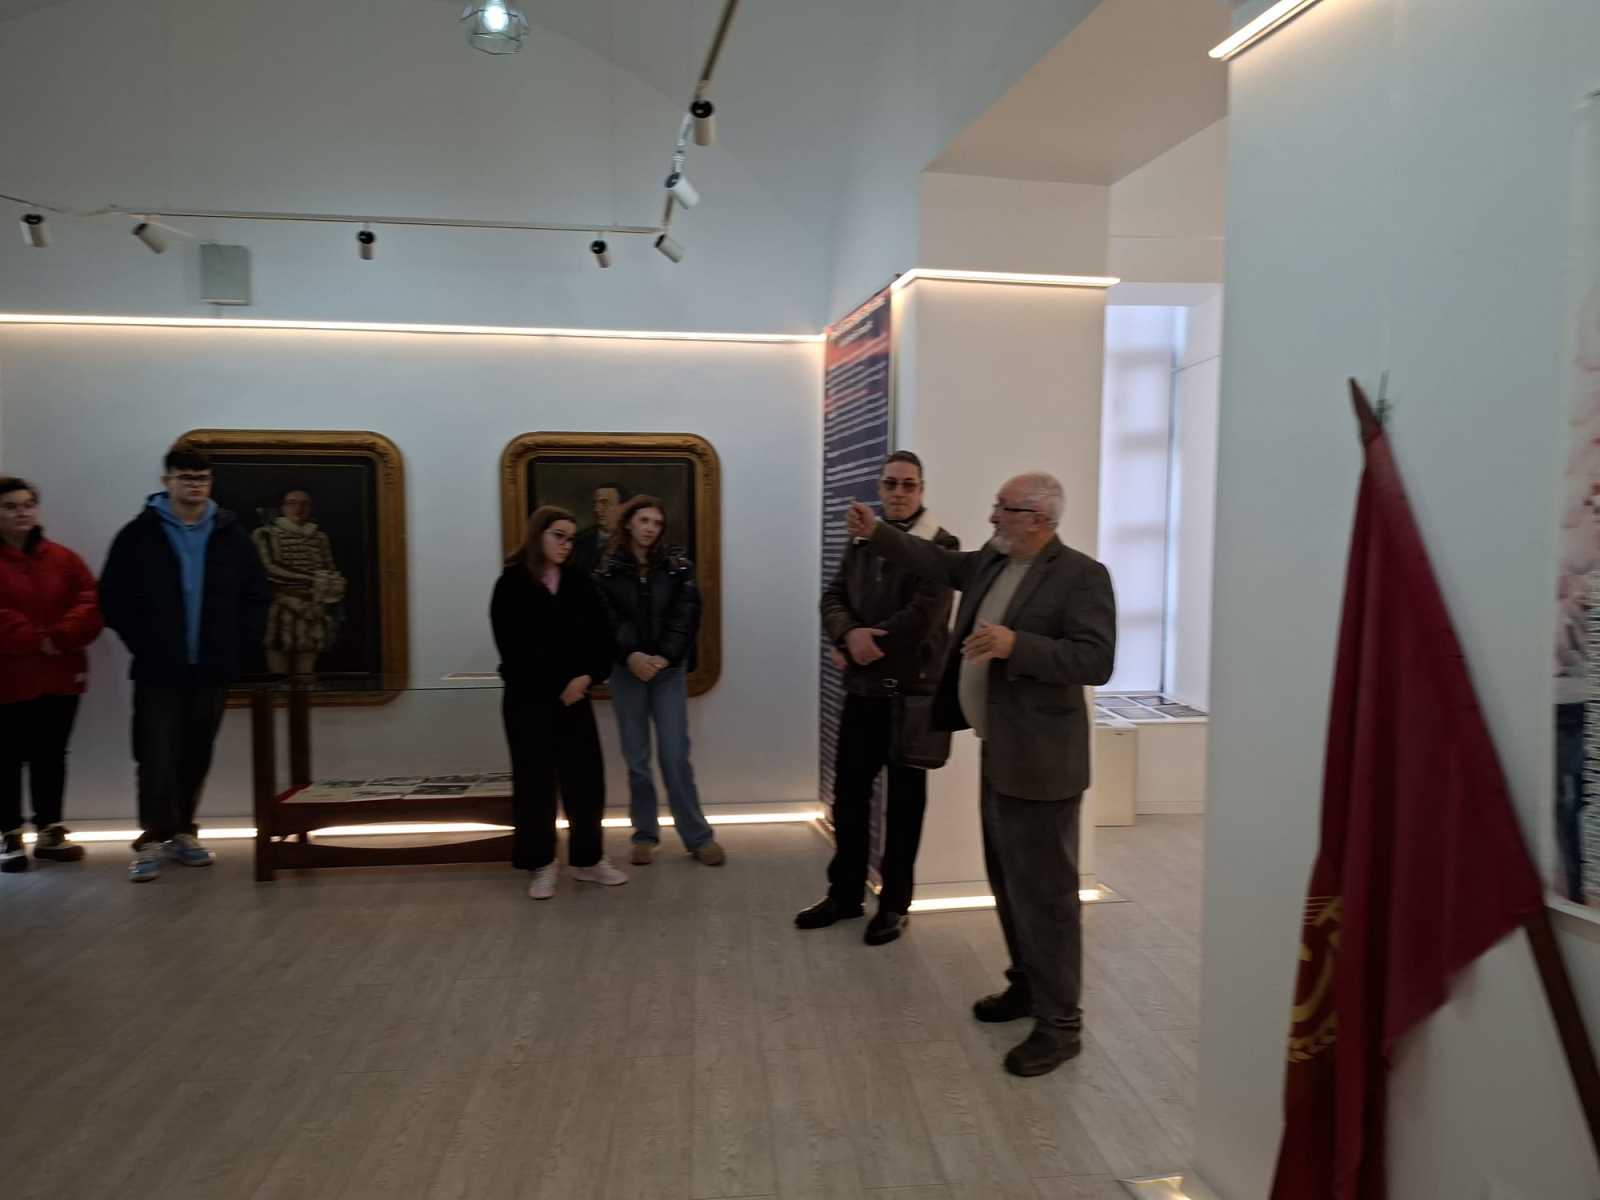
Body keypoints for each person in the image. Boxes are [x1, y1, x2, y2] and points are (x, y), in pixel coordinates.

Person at [845, 471, 1115, 1077]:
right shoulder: (994, 561)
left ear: (1039, 519)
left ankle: (1060, 1024)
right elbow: (938, 563)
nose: (993, 516)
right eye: (996, 506)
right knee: (1008, 881)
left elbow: (1096, 660)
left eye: (1005, 508)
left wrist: (1017, 645)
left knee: (1047, 896)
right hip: (1001, 751)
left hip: (1044, 764)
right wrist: (879, 533)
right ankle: (1027, 985)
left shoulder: (1081, 576)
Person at [798, 451, 958, 944]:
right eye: (891, 483)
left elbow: (925, 616)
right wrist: (848, 635)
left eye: (908, 484)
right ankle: (845, 894)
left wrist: (864, 644)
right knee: (849, 799)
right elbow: (832, 597)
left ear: (922, 489)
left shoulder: (942, 544)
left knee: (905, 808)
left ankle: (894, 906)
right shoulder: (862, 538)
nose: (899, 492)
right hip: (863, 694)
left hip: (912, 699)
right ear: (880, 486)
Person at [99, 443, 271, 883]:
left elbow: (256, 594)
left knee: (196, 751)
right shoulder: (139, 534)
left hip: (212, 667)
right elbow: (113, 597)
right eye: (185, 478)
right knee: (155, 753)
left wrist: (238, 643)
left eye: (202, 478)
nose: (194, 486)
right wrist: (144, 643)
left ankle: (183, 832)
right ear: (167, 482)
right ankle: (151, 840)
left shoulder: (231, 534)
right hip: (158, 667)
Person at [491, 504, 627, 899]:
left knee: (585, 781)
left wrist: (585, 677)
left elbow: (603, 638)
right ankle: (541, 863)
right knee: (534, 783)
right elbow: (513, 648)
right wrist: (557, 686)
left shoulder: (580, 583)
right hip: (528, 701)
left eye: (570, 538)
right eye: (558, 536)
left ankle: (588, 860)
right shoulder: (511, 583)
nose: (567, 544)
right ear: (538, 536)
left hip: (575, 698)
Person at [593, 494, 724, 866]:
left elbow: (686, 616)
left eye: (657, 523)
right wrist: (631, 656)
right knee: (637, 760)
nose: (650, 529)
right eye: (644, 521)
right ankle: (644, 835)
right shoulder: (605, 569)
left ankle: (698, 838)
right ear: (629, 523)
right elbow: (606, 620)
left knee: (674, 755)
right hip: (627, 672)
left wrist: (664, 657)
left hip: (668, 672)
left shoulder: (678, 567)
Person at [0, 477, 103, 873]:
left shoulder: (63, 559)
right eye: (10, 506)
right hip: (8, 678)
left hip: (60, 675)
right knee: (6, 757)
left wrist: (61, 635)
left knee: (51, 754)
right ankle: (9, 834)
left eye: (27, 505)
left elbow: (89, 601)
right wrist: (35, 638)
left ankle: (49, 830)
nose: (21, 512)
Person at [253, 488, 347, 677]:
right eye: (292, 503)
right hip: (280, 610)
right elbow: (269, 570)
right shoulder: (266, 534)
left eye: (305, 503)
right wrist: (315, 579)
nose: (299, 508)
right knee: (278, 677)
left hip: (313, 611)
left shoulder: (319, 537)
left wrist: (332, 585)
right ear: (282, 507)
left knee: (306, 676)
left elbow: (329, 569)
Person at [570, 482, 627, 578]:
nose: (596, 509)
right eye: (595, 503)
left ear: (622, 507)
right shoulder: (579, 541)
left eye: (604, 503)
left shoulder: (634, 540)